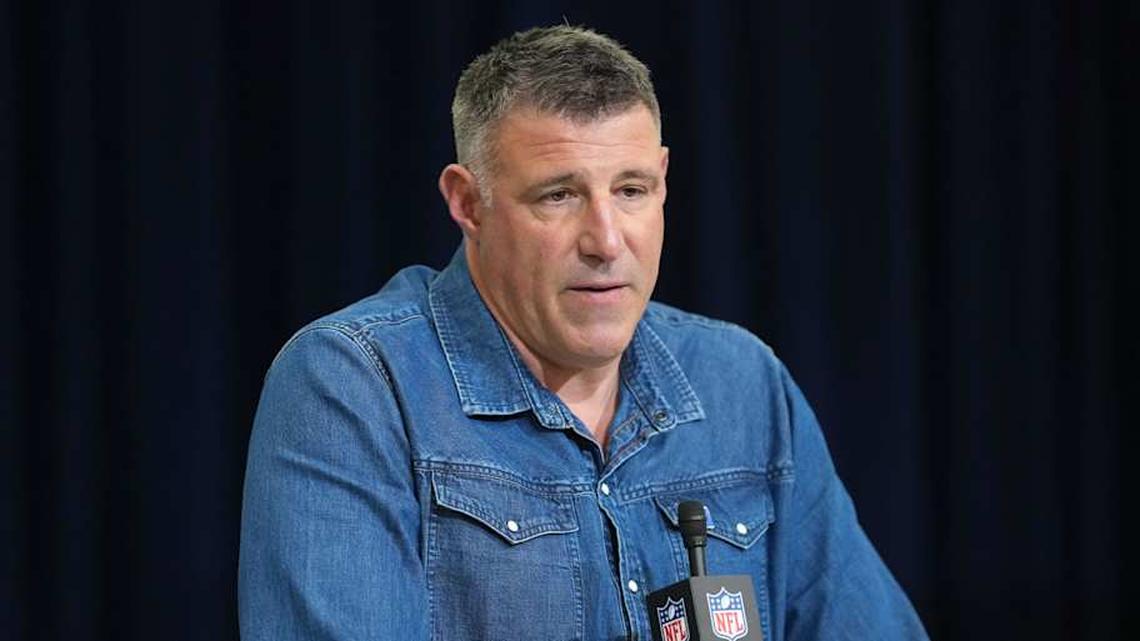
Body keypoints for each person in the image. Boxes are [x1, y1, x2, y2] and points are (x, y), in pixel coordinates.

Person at [238, 25, 928, 641]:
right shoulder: (355, 386)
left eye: (629, 190)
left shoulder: (743, 383)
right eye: (559, 195)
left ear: (663, 181)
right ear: (467, 202)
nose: (605, 240)